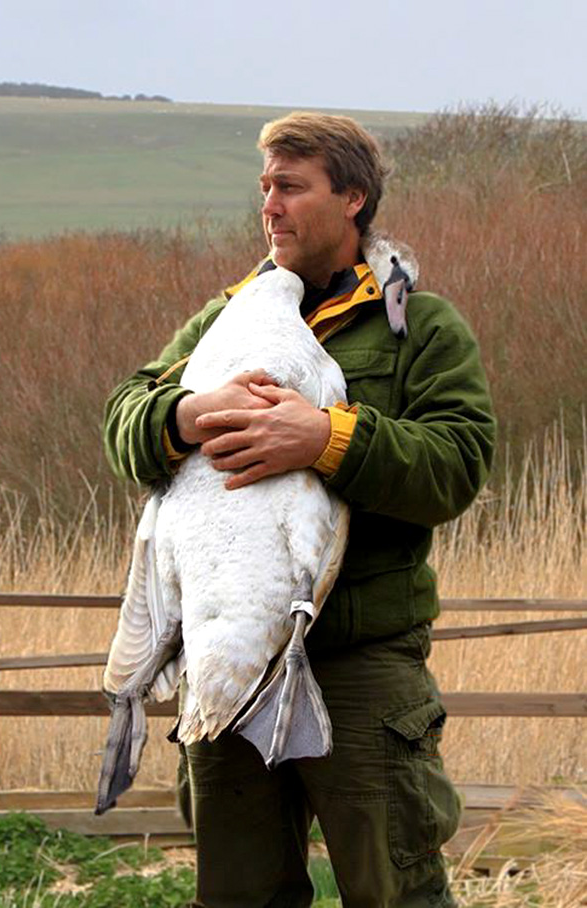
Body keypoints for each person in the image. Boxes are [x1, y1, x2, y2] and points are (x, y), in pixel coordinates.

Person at [104, 112, 496, 908]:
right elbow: (123, 417)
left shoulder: (419, 328)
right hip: (228, 663)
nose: (269, 207)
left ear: (351, 197)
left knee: (394, 892)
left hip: (359, 665)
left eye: (290, 187)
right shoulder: (224, 322)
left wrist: (326, 437)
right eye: (263, 189)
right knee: (237, 895)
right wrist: (186, 415)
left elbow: (455, 465)